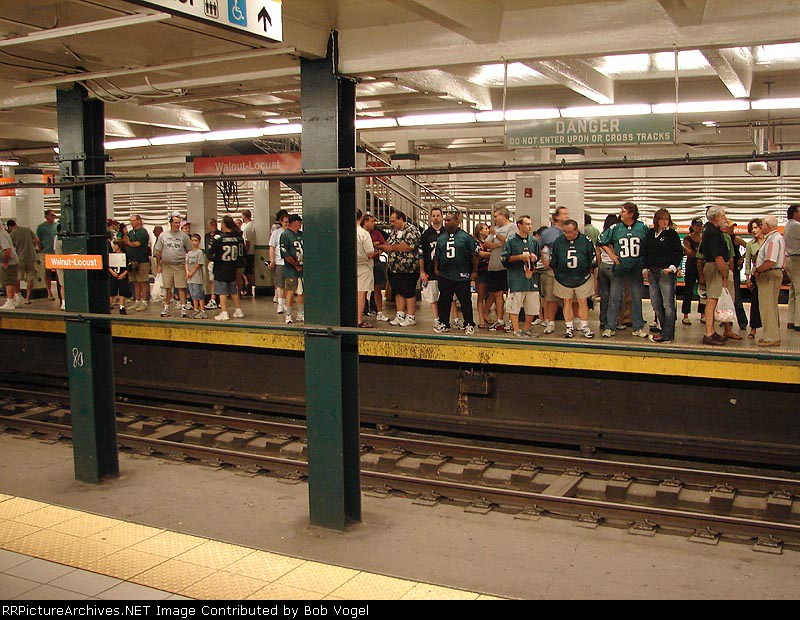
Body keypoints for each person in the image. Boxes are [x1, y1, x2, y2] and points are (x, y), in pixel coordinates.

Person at [598, 202, 649, 338]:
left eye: (623, 211)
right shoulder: (616, 228)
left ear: (631, 214)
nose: (620, 214)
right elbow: (601, 241)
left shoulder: (642, 227)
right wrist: (611, 254)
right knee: (614, 298)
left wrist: (646, 265)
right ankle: (610, 326)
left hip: (636, 269)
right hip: (619, 269)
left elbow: (649, 246)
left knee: (636, 299)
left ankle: (638, 327)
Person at [547, 219, 596, 339]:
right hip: (563, 278)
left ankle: (584, 326)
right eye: (565, 232)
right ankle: (569, 327)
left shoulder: (586, 240)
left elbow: (592, 260)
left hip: (583, 277)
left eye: (570, 232)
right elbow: (553, 261)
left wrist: (590, 274)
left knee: (582, 301)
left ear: (576, 230)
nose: (567, 235)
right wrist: (558, 273)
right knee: (567, 301)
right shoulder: (558, 241)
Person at [433, 212, 478, 335]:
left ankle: (469, 323)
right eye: (445, 220)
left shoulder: (465, 237)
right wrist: (436, 269)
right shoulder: (441, 238)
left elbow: (474, 255)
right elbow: (437, 255)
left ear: (457, 222)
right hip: (445, 275)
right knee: (444, 300)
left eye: (449, 220)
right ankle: (444, 323)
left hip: (462, 275)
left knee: (465, 301)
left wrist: (474, 271)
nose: (446, 223)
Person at [644, 208, 683, 344]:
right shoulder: (650, 233)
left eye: (667, 219)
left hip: (666, 272)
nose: (665, 222)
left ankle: (668, 334)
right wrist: (645, 267)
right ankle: (663, 328)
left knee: (668, 304)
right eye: (662, 219)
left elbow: (679, 252)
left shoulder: (671, 234)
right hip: (652, 271)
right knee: (656, 303)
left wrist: (672, 267)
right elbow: (646, 251)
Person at [377, 210, 421, 327]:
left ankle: (410, 316)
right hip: (394, 269)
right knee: (397, 292)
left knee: (408, 292)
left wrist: (392, 248)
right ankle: (400, 314)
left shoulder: (412, 230)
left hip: (408, 269)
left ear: (401, 219)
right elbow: (388, 244)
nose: (392, 224)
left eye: (394, 221)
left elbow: (410, 246)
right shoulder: (395, 232)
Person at [500, 215, 540, 338]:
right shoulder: (511, 241)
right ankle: (516, 329)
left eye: (530, 224)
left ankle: (526, 328)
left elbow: (538, 256)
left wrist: (534, 257)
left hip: (531, 279)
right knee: (514, 306)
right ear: (519, 225)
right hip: (516, 279)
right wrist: (519, 257)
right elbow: (505, 259)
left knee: (533, 306)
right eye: (527, 224)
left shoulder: (533, 241)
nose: (529, 227)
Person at [699, 206, 731, 346]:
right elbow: (718, 257)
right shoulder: (713, 233)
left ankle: (711, 331)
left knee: (713, 300)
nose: (725, 219)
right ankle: (709, 333)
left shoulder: (709, 231)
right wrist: (724, 276)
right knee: (712, 301)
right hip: (714, 267)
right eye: (723, 216)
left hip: (712, 266)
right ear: (717, 217)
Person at [753, 216, 786, 347]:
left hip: (768, 274)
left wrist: (758, 270)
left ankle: (771, 337)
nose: (761, 227)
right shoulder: (776, 238)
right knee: (771, 306)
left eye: (762, 224)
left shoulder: (773, 240)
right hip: (773, 274)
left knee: (767, 307)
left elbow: (770, 261)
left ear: (767, 225)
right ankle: (772, 335)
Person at [484, 207, 516, 332]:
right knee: (497, 293)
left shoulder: (512, 227)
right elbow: (487, 244)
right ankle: (500, 320)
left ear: (504, 216)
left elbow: (509, 243)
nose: (495, 218)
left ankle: (511, 321)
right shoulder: (494, 229)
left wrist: (496, 236)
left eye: (496, 216)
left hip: (506, 266)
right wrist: (498, 244)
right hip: (494, 265)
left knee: (509, 294)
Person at [208, 216, 246, 322]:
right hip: (232, 267)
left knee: (222, 292)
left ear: (224, 224)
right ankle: (239, 310)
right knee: (233, 290)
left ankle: (224, 312)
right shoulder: (238, 238)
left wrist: (215, 259)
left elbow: (210, 252)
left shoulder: (218, 238)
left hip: (221, 268)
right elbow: (242, 253)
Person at [538, 206, 570, 334]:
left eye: (567, 214)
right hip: (552, 270)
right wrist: (544, 261)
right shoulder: (547, 233)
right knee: (551, 297)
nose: (566, 216)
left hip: (568, 269)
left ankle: (573, 322)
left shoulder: (572, 230)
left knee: (570, 298)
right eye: (564, 214)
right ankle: (550, 322)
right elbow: (539, 247)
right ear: (556, 217)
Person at [154, 215, 192, 318]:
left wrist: (187, 265)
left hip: (180, 265)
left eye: (179, 223)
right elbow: (158, 251)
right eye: (175, 222)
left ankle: (183, 307)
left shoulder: (184, 236)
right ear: (171, 223)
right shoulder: (163, 235)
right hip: (167, 265)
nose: (177, 224)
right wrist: (158, 265)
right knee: (167, 287)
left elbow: (189, 250)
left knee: (181, 287)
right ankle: (166, 307)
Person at [420, 208, 446, 328]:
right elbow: (421, 254)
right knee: (433, 296)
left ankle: (454, 318)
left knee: (449, 296)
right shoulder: (426, 234)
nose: (436, 218)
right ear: (430, 218)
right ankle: (436, 319)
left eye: (438, 215)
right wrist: (422, 271)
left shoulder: (447, 232)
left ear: (442, 217)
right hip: (430, 270)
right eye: (433, 215)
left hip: (445, 270)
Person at [122, 215, 151, 312]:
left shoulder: (143, 232)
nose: (132, 222)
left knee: (142, 281)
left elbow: (137, 244)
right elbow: (125, 242)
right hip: (132, 260)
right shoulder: (130, 232)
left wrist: (129, 243)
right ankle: (137, 300)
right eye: (130, 221)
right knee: (135, 282)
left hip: (141, 260)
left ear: (139, 221)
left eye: (133, 220)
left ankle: (144, 301)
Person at [6, 220, 37, 305]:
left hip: (20, 258)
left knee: (17, 278)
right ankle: (27, 298)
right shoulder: (27, 230)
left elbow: (10, 247)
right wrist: (32, 247)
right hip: (31, 257)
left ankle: (18, 296)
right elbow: (37, 240)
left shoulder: (12, 234)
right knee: (30, 277)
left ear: (9, 227)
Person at [280, 214, 304, 324]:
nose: (301, 224)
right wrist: (295, 265)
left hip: (302, 267)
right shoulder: (285, 235)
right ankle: (288, 315)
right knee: (290, 291)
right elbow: (285, 253)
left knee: (301, 291)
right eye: (299, 222)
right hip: (291, 269)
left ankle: (301, 313)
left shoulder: (301, 234)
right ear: (294, 222)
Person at [364, 215, 388, 322]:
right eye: (372, 221)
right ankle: (363, 308)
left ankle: (378, 311)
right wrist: (374, 244)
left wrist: (378, 247)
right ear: (365, 222)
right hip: (364, 263)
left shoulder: (377, 233)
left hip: (376, 261)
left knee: (377, 287)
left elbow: (383, 244)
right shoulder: (362, 234)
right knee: (363, 288)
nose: (374, 223)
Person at [356, 210, 378, 327]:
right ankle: (359, 320)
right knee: (361, 293)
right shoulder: (363, 234)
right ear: (361, 218)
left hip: (349, 266)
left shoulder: (344, 232)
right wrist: (377, 252)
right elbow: (370, 254)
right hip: (363, 265)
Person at [596, 214, 618, 332]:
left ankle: (603, 320)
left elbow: (598, 254)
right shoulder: (614, 235)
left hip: (603, 266)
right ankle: (612, 322)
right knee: (615, 296)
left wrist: (599, 267)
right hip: (612, 266)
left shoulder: (602, 235)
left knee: (604, 296)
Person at [681, 217, 704, 325]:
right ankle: (685, 315)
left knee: (703, 291)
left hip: (702, 266)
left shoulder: (704, 237)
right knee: (688, 290)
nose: (699, 228)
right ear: (693, 227)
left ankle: (703, 314)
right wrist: (699, 255)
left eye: (700, 226)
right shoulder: (688, 238)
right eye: (697, 226)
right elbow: (689, 252)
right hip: (691, 266)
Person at [744, 218, 764, 340]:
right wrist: (747, 279)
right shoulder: (750, 245)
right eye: (752, 228)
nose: (754, 230)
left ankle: (770, 329)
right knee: (755, 302)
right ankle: (753, 329)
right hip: (755, 275)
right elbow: (747, 262)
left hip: (767, 274)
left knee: (769, 303)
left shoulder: (768, 241)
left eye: (756, 227)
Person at [268, 211, 290, 314]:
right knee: (279, 283)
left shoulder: (292, 233)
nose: (287, 224)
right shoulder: (276, 233)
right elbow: (272, 247)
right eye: (285, 222)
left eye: (288, 222)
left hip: (290, 263)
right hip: (279, 262)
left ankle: (285, 302)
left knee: (288, 284)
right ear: (281, 222)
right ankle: (280, 303)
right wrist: (272, 260)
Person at [36, 209, 60, 302]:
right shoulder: (41, 227)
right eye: (51, 215)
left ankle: (60, 292)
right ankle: (49, 292)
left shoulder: (57, 225)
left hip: (56, 252)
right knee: (47, 272)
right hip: (47, 252)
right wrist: (42, 249)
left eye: (54, 215)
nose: (53, 217)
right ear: (46, 217)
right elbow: (38, 240)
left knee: (59, 272)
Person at [472, 223, 492, 329]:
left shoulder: (489, 242)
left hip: (490, 270)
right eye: (485, 228)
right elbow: (480, 254)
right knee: (481, 295)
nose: (487, 230)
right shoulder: (476, 242)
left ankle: (485, 313)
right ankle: (481, 318)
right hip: (480, 270)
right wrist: (494, 254)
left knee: (492, 294)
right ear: (480, 231)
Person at [785, 204, 800, 331]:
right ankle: (798, 322)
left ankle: (791, 320)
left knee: (793, 291)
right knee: (799, 291)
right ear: (795, 213)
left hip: (790, 259)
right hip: (797, 260)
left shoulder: (788, 225)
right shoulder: (796, 225)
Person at [185, 234, 207, 319]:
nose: (194, 242)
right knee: (193, 294)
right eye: (192, 240)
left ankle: (202, 310)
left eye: (196, 241)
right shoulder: (189, 253)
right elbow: (186, 263)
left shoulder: (199, 252)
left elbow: (199, 264)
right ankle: (196, 309)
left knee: (199, 293)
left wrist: (192, 272)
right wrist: (187, 271)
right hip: (189, 277)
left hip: (197, 277)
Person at [107, 233, 130, 315]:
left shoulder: (125, 255)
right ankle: (108, 306)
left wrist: (124, 274)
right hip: (113, 275)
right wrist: (112, 272)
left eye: (115, 245)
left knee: (122, 292)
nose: (114, 246)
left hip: (122, 276)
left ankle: (122, 307)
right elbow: (108, 266)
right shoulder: (111, 255)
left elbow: (128, 266)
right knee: (112, 292)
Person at [0, 223, 19, 310]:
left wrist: (6, 262)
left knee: (8, 282)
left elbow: (7, 249)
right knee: (13, 280)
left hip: (9, 262)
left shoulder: (1, 234)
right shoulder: (4, 232)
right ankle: (16, 298)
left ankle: (10, 301)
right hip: (12, 260)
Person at [241, 209, 256, 297]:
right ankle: (250, 288)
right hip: (253, 251)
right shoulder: (253, 225)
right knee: (251, 271)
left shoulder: (247, 228)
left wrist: (245, 253)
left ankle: (247, 285)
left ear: (244, 216)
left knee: (245, 271)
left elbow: (247, 242)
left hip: (248, 252)